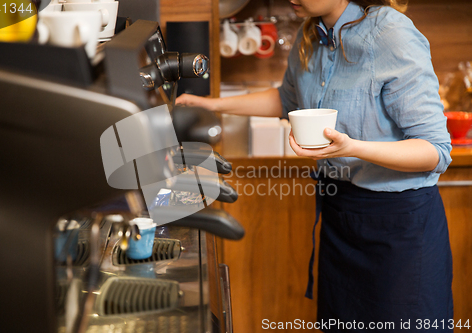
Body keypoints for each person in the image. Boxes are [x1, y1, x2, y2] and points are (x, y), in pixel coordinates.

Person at [176, 0, 453, 331]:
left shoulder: (391, 33)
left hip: (399, 229)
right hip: (341, 219)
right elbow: (286, 100)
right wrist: (209, 104)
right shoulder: (311, 33)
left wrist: (353, 148)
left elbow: (435, 150)